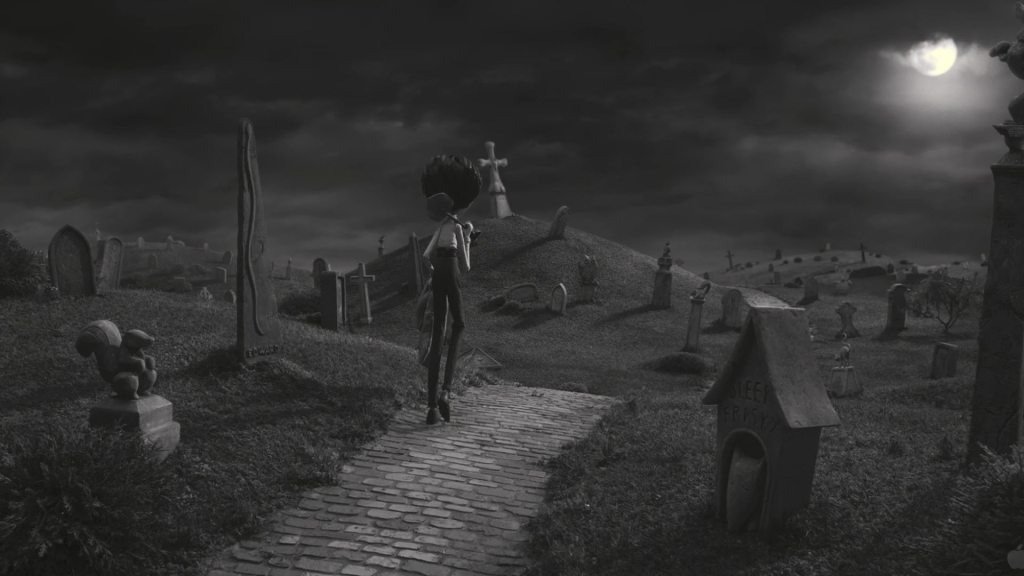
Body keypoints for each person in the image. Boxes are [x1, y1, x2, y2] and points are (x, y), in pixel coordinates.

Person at [419, 154, 481, 424]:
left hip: (438, 273)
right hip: (452, 269)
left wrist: (434, 272)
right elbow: (466, 266)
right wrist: (466, 239)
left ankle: (431, 407)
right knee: (458, 325)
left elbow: (425, 257)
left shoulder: (439, 229)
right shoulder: (456, 228)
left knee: (437, 334)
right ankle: (445, 391)